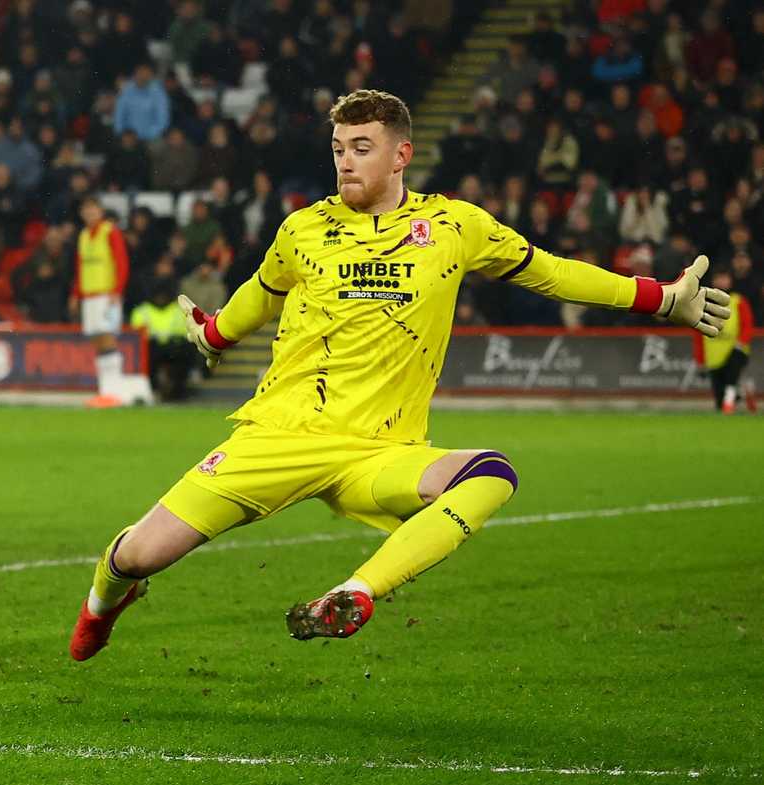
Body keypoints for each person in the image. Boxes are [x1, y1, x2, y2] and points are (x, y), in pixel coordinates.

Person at [69, 90, 731, 659]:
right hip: (278, 437)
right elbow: (260, 292)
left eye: (361, 146)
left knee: (491, 474)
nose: (345, 160)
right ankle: (103, 598)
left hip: (381, 451)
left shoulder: (453, 226)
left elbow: (553, 270)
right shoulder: (303, 228)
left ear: (400, 155)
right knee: (141, 554)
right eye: (338, 147)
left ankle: (356, 592)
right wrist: (214, 334)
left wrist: (660, 297)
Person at [72, 197, 129, 406]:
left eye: (93, 209)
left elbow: (121, 261)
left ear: (100, 211)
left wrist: (117, 290)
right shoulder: (84, 235)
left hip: (107, 294)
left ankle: (114, 391)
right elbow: (80, 267)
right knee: (97, 341)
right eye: (86, 210)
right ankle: (104, 390)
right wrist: (75, 294)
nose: (90, 213)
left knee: (108, 337)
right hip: (89, 296)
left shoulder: (110, 231)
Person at [694, 269, 754, 414]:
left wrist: (740, 343)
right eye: (718, 278)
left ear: (730, 280)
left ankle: (730, 402)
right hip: (714, 355)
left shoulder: (738, 301)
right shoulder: (704, 302)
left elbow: (747, 325)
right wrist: (700, 360)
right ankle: (740, 394)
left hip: (735, 350)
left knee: (731, 376)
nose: (721, 281)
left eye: (724, 277)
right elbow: (698, 332)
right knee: (719, 398)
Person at [128, 282, 194, 401]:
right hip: (151, 349)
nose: (161, 298)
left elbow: (187, 334)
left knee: (185, 355)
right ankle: (153, 391)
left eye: (164, 295)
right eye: (158, 295)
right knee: (147, 358)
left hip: (174, 348)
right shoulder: (142, 311)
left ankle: (177, 393)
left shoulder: (179, 310)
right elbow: (135, 338)